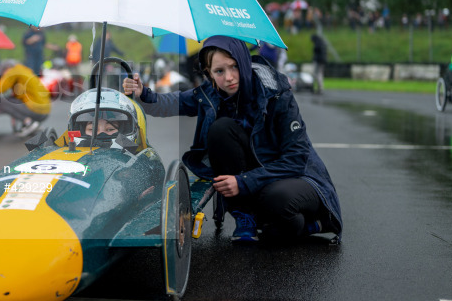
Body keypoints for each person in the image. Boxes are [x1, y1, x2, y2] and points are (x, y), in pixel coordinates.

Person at [122, 35, 342, 244]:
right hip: (257, 180)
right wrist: (144, 94)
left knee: (275, 204)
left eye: (234, 66)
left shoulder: (276, 92)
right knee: (220, 130)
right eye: (219, 71)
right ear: (209, 73)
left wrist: (244, 181)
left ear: (244, 62)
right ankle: (244, 216)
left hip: (297, 177)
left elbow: (296, 160)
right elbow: (173, 102)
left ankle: (317, 225)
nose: (228, 77)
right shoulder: (212, 92)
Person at [0, 60, 50, 136]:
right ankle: (32, 124)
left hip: (36, 109)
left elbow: (0, 88)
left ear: (6, 69)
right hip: (45, 112)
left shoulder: (13, 71)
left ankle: (29, 123)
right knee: (11, 99)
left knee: (0, 102)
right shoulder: (24, 70)